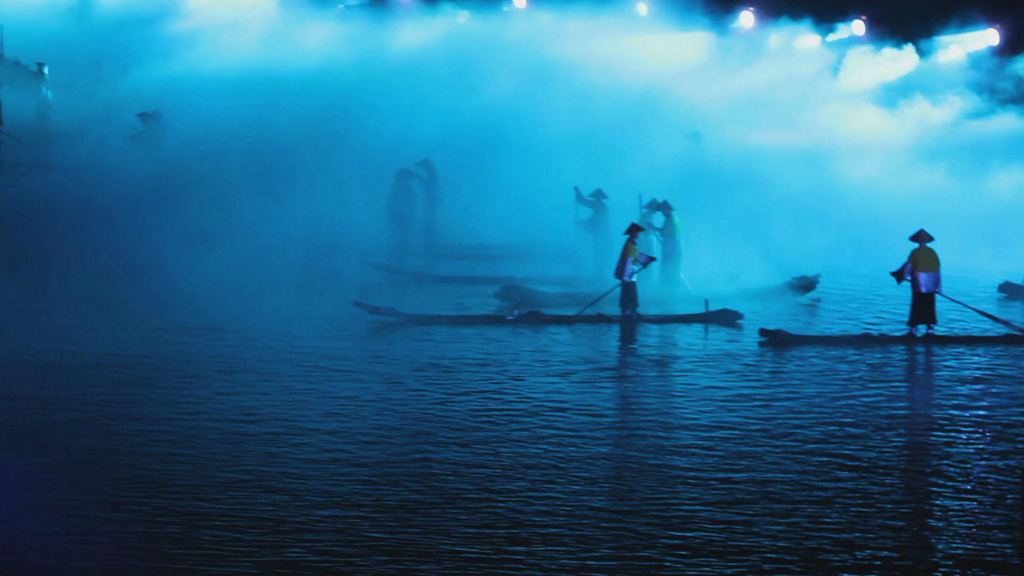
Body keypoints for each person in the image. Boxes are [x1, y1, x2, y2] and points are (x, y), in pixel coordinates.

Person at [891, 229, 941, 335]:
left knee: (917, 305)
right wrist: (937, 287)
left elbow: (908, 267)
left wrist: (902, 275)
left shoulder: (915, 252)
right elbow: (937, 270)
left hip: (919, 282)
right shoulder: (932, 252)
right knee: (929, 305)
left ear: (917, 241)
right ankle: (930, 329)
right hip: (931, 283)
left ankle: (913, 329)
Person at [615, 222, 656, 317]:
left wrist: (648, 259)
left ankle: (632, 311)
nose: (638, 234)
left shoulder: (632, 244)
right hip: (628, 274)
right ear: (632, 233)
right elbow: (628, 261)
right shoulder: (630, 245)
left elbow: (636, 255)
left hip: (630, 274)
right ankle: (627, 312)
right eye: (637, 232)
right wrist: (625, 277)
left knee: (632, 292)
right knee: (628, 293)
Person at [575, 186, 612, 278]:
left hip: (602, 233)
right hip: (602, 233)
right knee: (599, 252)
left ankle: (599, 275)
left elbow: (595, 218)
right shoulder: (601, 205)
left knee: (600, 253)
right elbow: (584, 201)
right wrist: (577, 192)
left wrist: (582, 222)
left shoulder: (600, 206)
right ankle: (599, 274)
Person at [387, 168, 418, 260]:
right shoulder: (402, 187)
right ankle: (399, 251)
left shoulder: (402, 186)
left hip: (402, 213)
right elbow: (394, 200)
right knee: (401, 232)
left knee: (402, 232)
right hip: (400, 213)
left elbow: (411, 201)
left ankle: (400, 251)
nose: (409, 179)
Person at [655, 200, 683, 289]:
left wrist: (653, 227)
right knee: (674, 270)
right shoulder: (676, 219)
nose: (662, 213)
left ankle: (667, 289)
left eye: (663, 211)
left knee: (667, 270)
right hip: (677, 248)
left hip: (670, 249)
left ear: (667, 210)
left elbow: (664, 232)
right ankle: (673, 288)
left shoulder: (669, 220)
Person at [414, 158, 439, 248]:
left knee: (429, 219)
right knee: (430, 219)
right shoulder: (431, 174)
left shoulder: (432, 174)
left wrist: (418, 175)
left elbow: (427, 184)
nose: (424, 168)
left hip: (431, 200)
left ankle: (430, 241)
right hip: (431, 200)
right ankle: (430, 241)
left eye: (424, 166)